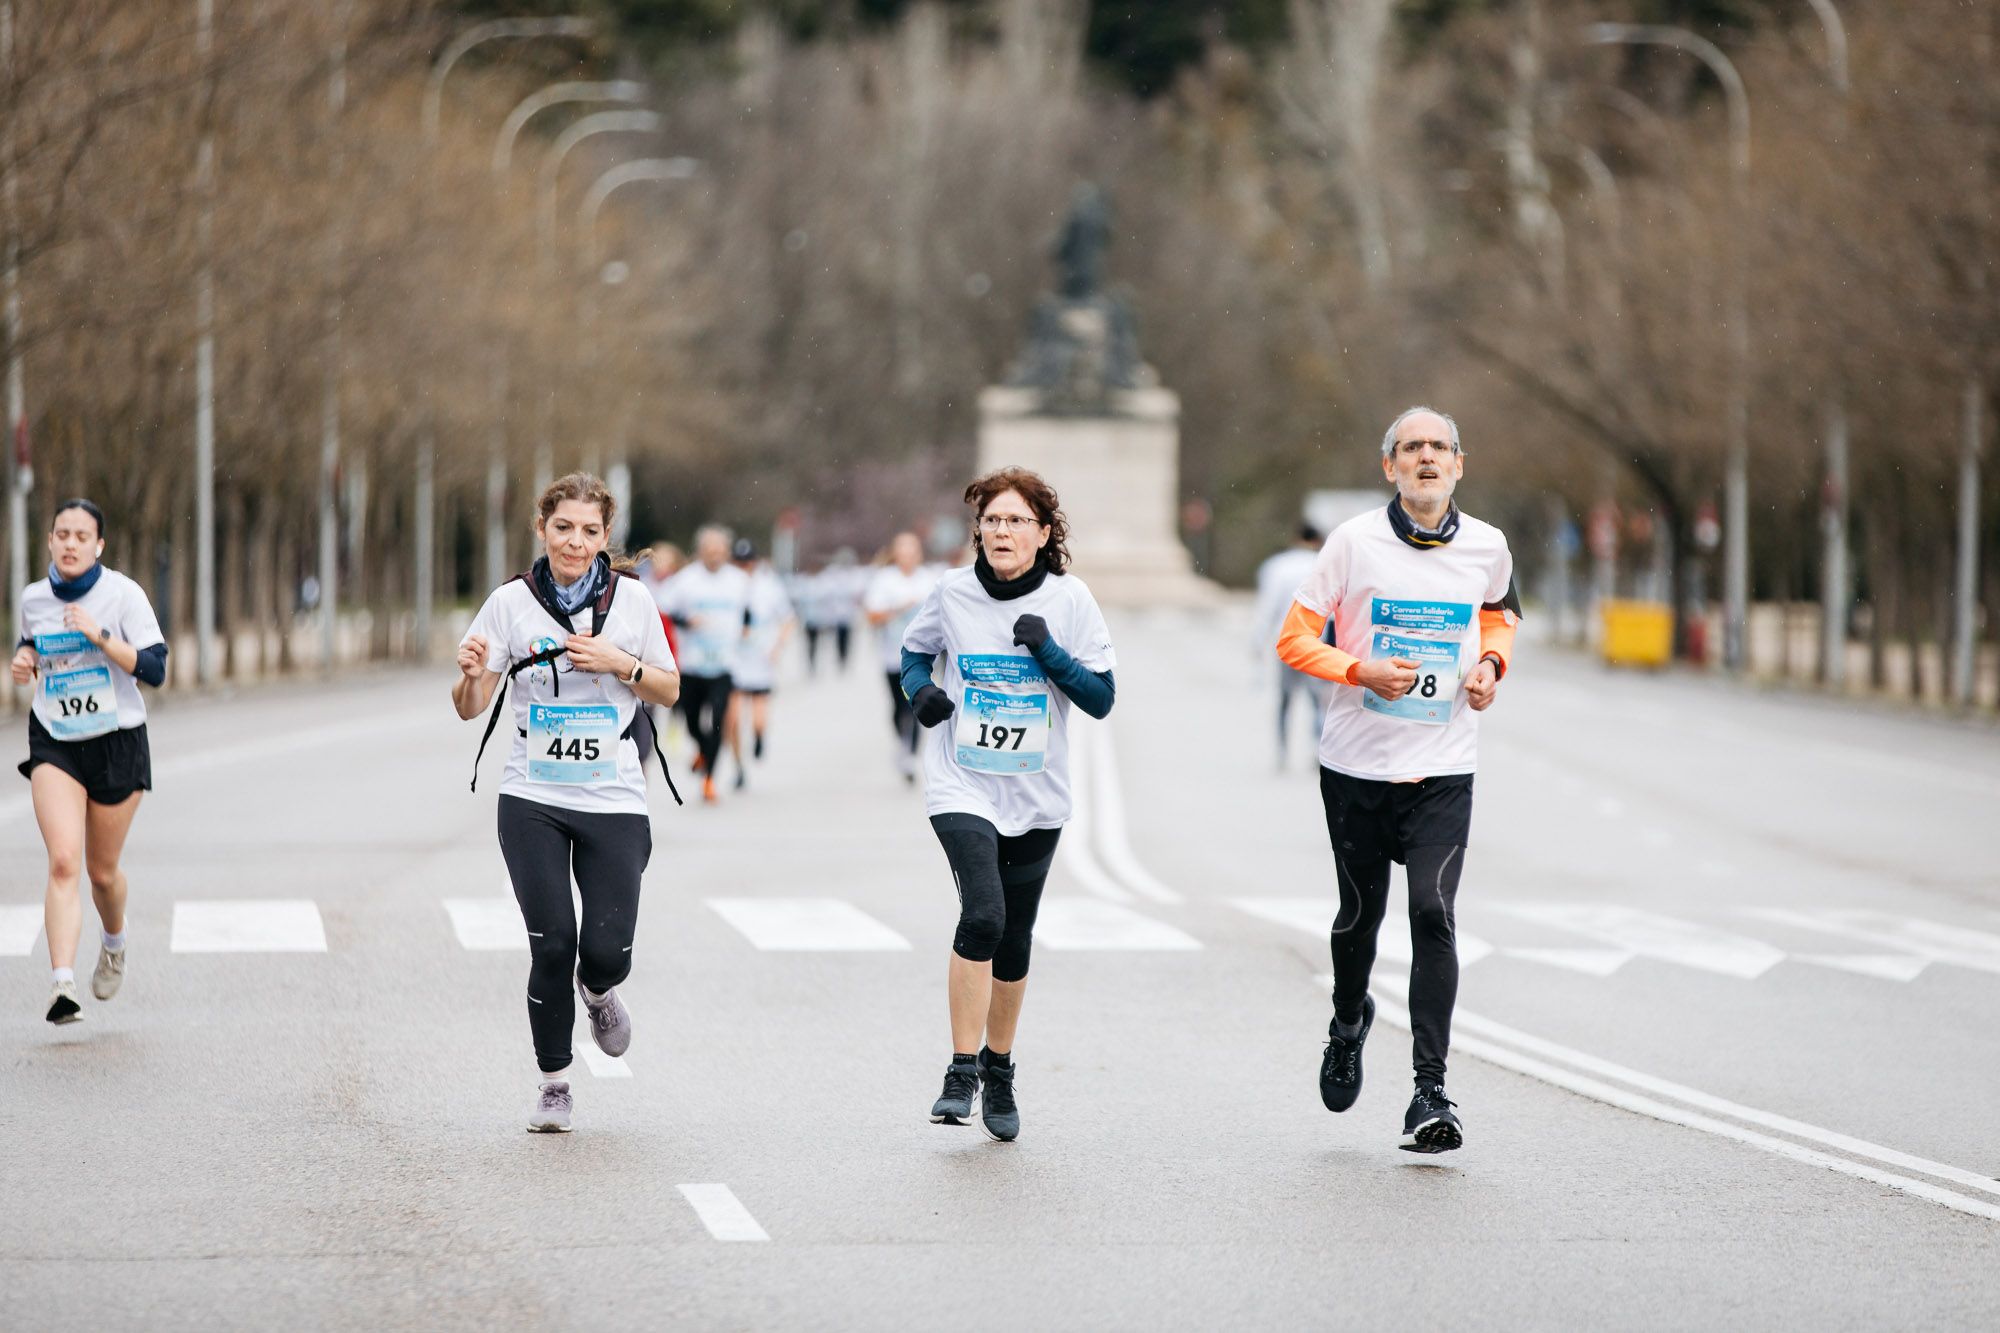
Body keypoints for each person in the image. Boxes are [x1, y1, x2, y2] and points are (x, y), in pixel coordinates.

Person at [1276, 407, 1518, 1154]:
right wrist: (1358, 668)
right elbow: (1293, 639)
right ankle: (1349, 1018)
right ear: (1389, 466)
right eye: (1410, 447)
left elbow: (1499, 614)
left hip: (1444, 767)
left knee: (1433, 915)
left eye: (1438, 447)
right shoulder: (1351, 544)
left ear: (1458, 464)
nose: (1425, 458)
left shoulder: (1488, 545)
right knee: (1358, 922)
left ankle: (1429, 1089)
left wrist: (1489, 666)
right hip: (1356, 767)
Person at [456, 474, 681, 1133]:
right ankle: (554, 1082)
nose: (575, 542)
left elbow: (668, 689)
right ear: (541, 528)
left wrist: (621, 663)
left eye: (589, 531)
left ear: (606, 537)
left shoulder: (634, 603)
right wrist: (470, 676)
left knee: (605, 949)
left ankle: (600, 988)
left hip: (613, 792)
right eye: (563, 528)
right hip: (532, 794)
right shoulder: (510, 604)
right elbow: (470, 706)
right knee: (552, 942)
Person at [900, 468, 1116, 1142]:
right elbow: (914, 652)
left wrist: (1048, 650)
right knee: (985, 913)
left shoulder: (1071, 600)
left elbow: (1102, 697)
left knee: (1015, 936)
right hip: (962, 781)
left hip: (1037, 790)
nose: (1001, 530)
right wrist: (920, 693)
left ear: (1043, 533)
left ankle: (1000, 1066)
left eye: (1016, 520)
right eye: (991, 520)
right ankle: (962, 1068)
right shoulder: (953, 592)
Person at [11, 499, 168, 1025]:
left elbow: (154, 668)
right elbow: (32, 642)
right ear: (50, 541)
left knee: (101, 874)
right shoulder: (34, 597)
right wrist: (25, 657)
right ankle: (62, 985)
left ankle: (115, 942)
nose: (71, 543)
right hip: (55, 738)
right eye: (62, 534)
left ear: (99, 545)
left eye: (82, 536)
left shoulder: (122, 594)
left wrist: (99, 635)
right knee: (62, 861)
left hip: (117, 740)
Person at [655, 525, 750, 803]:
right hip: (692, 665)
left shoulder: (739, 580)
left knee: (719, 722)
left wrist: (746, 628)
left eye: (720, 550)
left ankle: (709, 777)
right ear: (700, 552)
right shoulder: (686, 580)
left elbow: (748, 611)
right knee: (693, 723)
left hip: (724, 664)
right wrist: (687, 622)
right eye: (710, 550)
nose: (715, 555)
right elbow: (664, 611)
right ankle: (702, 750)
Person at [864, 533, 939, 784]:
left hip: (923, 659)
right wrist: (899, 609)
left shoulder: (929, 580)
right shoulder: (885, 581)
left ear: (919, 553)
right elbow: (872, 616)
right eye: (903, 551)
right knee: (898, 706)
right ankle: (903, 743)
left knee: (916, 704)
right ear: (896, 554)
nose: (908, 556)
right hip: (891, 655)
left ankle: (910, 754)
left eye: (912, 551)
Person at [1255, 523, 1327, 770]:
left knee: (1285, 699)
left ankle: (1282, 749)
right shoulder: (1323, 564)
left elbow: (1268, 606)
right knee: (1316, 699)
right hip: (1317, 644)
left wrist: (1257, 643)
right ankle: (1317, 748)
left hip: (1286, 644)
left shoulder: (1278, 566)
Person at [724, 537, 795, 786]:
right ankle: (738, 765)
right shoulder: (726, 584)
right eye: (739, 563)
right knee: (731, 717)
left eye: (747, 563)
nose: (743, 568)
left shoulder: (769, 586)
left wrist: (778, 647)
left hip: (760, 657)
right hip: (732, 658)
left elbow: (788, 618)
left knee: (758, 716)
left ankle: (758, 737)